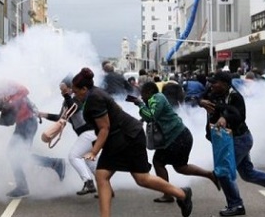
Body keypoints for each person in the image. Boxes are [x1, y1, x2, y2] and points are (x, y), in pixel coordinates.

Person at [71, 67, 192, 217]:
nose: (74, 95)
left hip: (127, 137)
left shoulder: (94, 97)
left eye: (75, 91)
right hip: (121, 136)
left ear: (84, 88)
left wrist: (94, 152)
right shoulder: (96, 93)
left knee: (139, 178)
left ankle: (182, 194)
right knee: (108, 176)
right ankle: (182, 194)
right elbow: (117, 109)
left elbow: (104, 128)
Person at [199, 71, 265, 216]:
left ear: (225, 84)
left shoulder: (235, 96)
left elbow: (240, 116)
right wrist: (200, 101)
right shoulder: (213, 92)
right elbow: (191, 98)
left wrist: (225, 118)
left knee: (223, 171)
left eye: (215, 82)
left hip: (239, 140)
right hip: (225, 140)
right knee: (247, 173)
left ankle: (236, 205)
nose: (211, 85)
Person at [128, 82, 219, 203]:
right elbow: (151, 116)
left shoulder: (157, 98)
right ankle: (210, 175)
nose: (142, 97)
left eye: (143, 94)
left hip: (176, 137)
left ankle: (168, 193)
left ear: (148, 92)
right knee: (181, 167)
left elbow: (151, 116)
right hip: (180, 137)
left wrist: (140, 104)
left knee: (158, 162)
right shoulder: (154, 100)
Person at [0, 73, 66, 198]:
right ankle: (24, 185)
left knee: (17, 154)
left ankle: (53, 164)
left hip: (27, 121)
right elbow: (7, 105)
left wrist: (10, 101)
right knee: (15, 154)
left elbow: (24, 90)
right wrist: (1, 106)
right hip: (22, 123)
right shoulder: (0, 91)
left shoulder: (7, 83)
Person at [38, 75, 98, 195]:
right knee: (89, 162)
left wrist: (66, 95)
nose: (62, 91)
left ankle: (88, 182)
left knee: (73, 156)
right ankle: (106, 187)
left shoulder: (77, 98)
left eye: (64, 89)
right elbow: (60, 118)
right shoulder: (68, 100)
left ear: (72, 88)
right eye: (61, 90)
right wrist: (42, 114)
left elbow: (74, 108)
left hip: (89, 132)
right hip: (89, 134)